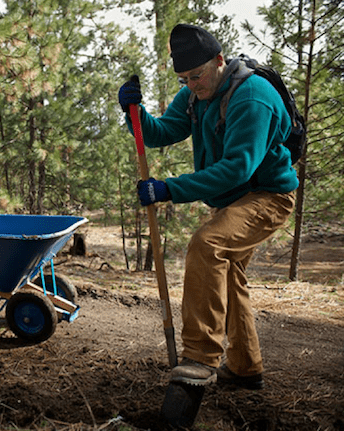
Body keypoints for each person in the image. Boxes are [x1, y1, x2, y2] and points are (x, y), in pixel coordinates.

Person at [118, 24, 298, 390]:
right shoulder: (193, 96)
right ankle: (247, 368)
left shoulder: (252, 97)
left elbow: (237, 167)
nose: (192, 85)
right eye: (183, 79)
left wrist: (169, 188)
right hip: (235, 199)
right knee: (227, 275)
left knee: (208, 246)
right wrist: (134, 112)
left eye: (196, 76)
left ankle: (200, 358)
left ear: (219, 60)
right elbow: (162, 132)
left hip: (268, 196)